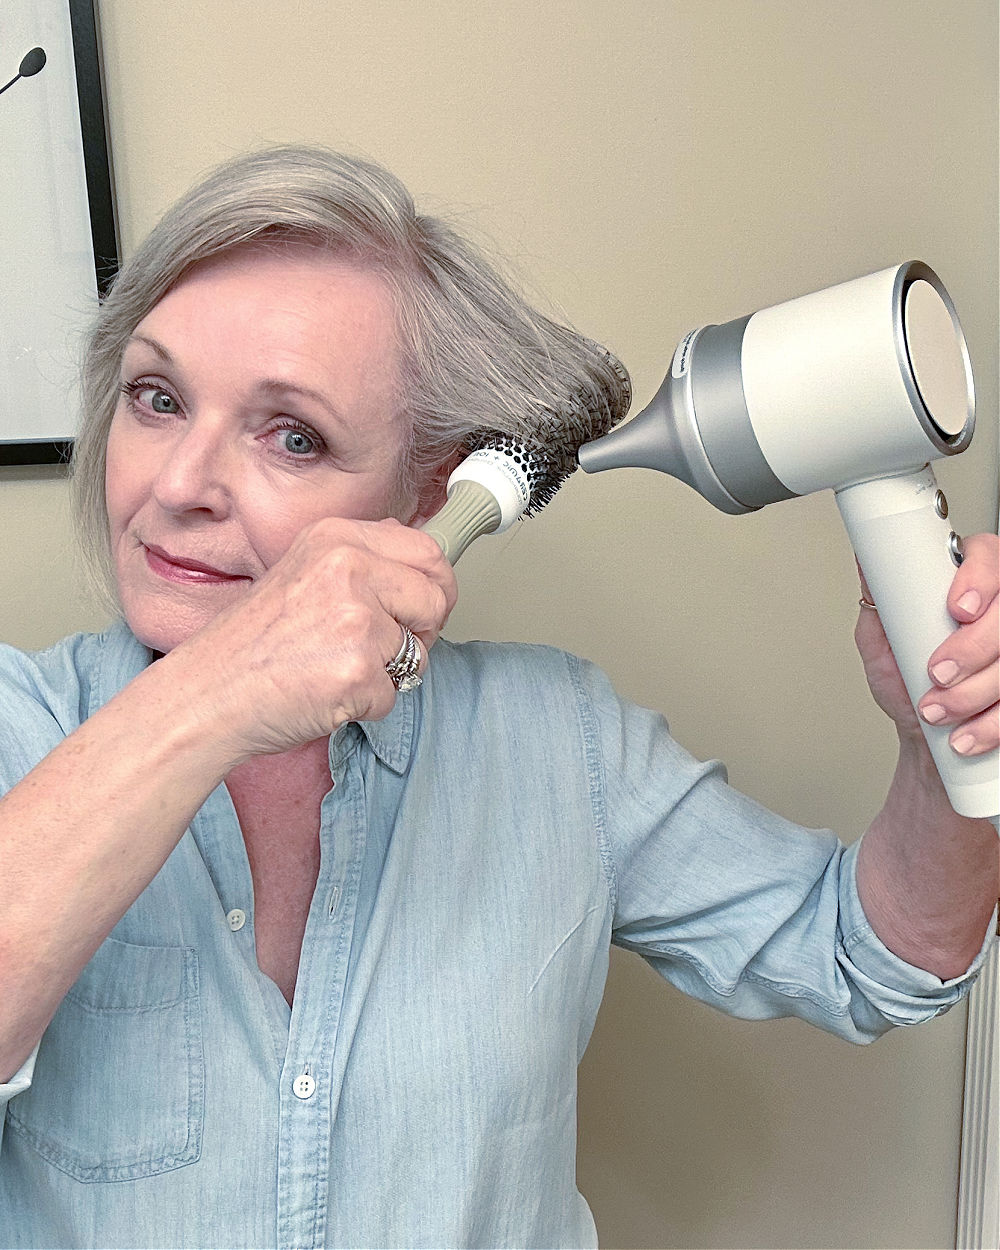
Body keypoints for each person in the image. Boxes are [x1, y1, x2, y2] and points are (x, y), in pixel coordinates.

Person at [0, 145, 996, 1250]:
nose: (179, 485)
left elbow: (873, 959)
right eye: (157, 397)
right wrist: (215, 693)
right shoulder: (19, 727)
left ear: (430, 485)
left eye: (294, 435)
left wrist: (936, 737)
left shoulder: (557, 742)